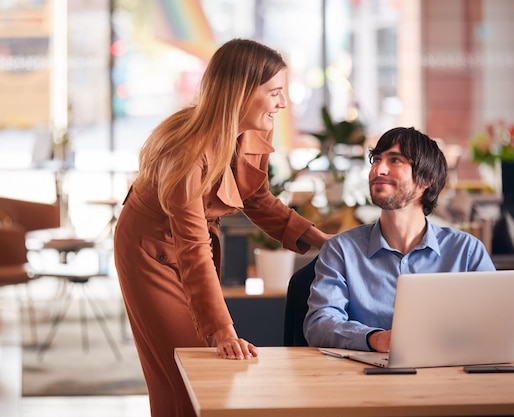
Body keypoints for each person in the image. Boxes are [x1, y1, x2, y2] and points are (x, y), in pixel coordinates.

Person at [113, 38, 331, 417]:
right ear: (241, 93)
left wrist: (321, 241)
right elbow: (193, 245)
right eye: (275, 93)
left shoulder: (254, 130)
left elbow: (257, 198)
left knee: (200, 368)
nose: (283, 103)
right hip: (149, 250)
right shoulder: (187, 152)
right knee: (182, 366)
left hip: (187, 243)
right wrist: (223, 330)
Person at [304, 127, 495, 353]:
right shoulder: (341, 249)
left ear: (427, 180)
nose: (378, 169)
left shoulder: (466, 251)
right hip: (364, 381)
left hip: (448, 375)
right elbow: (319, 324)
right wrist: (374, 339)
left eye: (395, 160)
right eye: (376, 159)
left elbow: (495, 323)